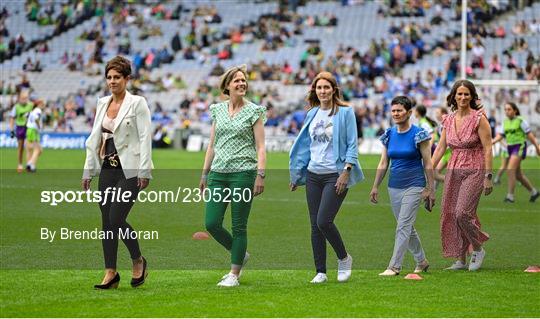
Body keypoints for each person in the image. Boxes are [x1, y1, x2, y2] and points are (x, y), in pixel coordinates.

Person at [82, 56, 153, 289]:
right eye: (109, 77)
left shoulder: (137, 103)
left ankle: (138, 260)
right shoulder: (102, 103)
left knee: (116, 218)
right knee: (106, 222)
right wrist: (88, 171)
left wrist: (145, 170)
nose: (112, 81)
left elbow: (144, 138)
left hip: (130, 170)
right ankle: (110, 272)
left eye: (117, 77)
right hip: (107, 169)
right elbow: (94, 138)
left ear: (126, 79)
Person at [289, 71, 364, 284]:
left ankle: (344, 258)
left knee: (324, 220)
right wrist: (297, 175)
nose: (323, 91)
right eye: (319, 88)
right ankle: (320, 271)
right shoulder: (312, 113)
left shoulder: (345, 112)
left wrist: (346, 171)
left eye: (326, 87)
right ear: (315, 91)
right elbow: (305, 147)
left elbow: (352, 144)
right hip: (313, 175)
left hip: (336, 174)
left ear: (334, 90)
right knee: (315, 225)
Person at [199, 65, 266, 287]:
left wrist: (260, 175)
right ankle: (239, 252)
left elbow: (261, 146)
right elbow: (211, 145)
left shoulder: (254, 111)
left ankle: (234, 274)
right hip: (218, 173)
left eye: (244, 80)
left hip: (243, 174)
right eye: (237, 81)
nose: (241, 84)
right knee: (212, 223)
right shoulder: (217, 110)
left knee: (239, 226)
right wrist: (204, 174)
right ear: (227, 86)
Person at [432, 79, 493, 272]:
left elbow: (488, 147)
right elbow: (441, 147)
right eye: (459, 94)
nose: (463, 97)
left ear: (472, 96)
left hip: (475, 168)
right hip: (454, 167)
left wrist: (488, 176)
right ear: (454, 96)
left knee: (462, 213)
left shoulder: (479, 118)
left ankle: (478, 248)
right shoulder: (448, 120)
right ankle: (460, 259)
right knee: (450, 212)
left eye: (467, 94)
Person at [370, 96, 434, 276]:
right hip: (394, 186)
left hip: (415, 185)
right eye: (393, 111)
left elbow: (428, 163)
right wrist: (375, 186)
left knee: (403, 225)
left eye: (399, 110)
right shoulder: (389, 134)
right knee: (405, 225)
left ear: (409, 112)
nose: (396, 114)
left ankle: (394, 266)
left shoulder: (419, 134)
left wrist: (431, 189)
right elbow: (383, 163)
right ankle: (422, 261)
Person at [492, 102, 540, 202]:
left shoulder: (521, 121)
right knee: (518, 175)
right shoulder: (505, 122)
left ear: (515, 111)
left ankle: (510, 196)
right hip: (510, 148)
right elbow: (501, 135)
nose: (506, 111)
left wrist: (536, 147)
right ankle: (534, 192)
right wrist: (492, 142)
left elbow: (530, 135)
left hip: (519, 146)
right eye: (505, 109)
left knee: (510, 169)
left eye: (509, 109)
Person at [9, 90, 33, 173]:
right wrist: (11, 130)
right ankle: (19, 164)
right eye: (23, 98)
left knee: (29, 147)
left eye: (26, 98)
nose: (24, 100)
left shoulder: (31, 105)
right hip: (19, 128)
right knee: (20, 148)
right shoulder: (16, 107)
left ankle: (29, 165)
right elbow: (12, 118)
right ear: (19, 98)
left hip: (29, 127)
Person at [25, 99, 44, 172]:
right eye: (42, 103)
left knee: (30, 149)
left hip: (29, 129)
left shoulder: (32, 111)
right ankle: (30, 165)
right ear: (39, 104)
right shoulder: (38, 110)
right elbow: (36, 119)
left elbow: (25, 116)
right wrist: (39, 126)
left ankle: (30, 165)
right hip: (33, 130)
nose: (44, 105)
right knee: (38, 149)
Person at [434, 107, 451, 183]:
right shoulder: (440, 125)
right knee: (434, 174)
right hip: (445, 153)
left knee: (434, 173)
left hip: (447, 153)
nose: (436, 115)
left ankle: (453, 183)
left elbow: (446, 141)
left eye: (438, 113)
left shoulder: (445, 125)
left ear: (443, 114)